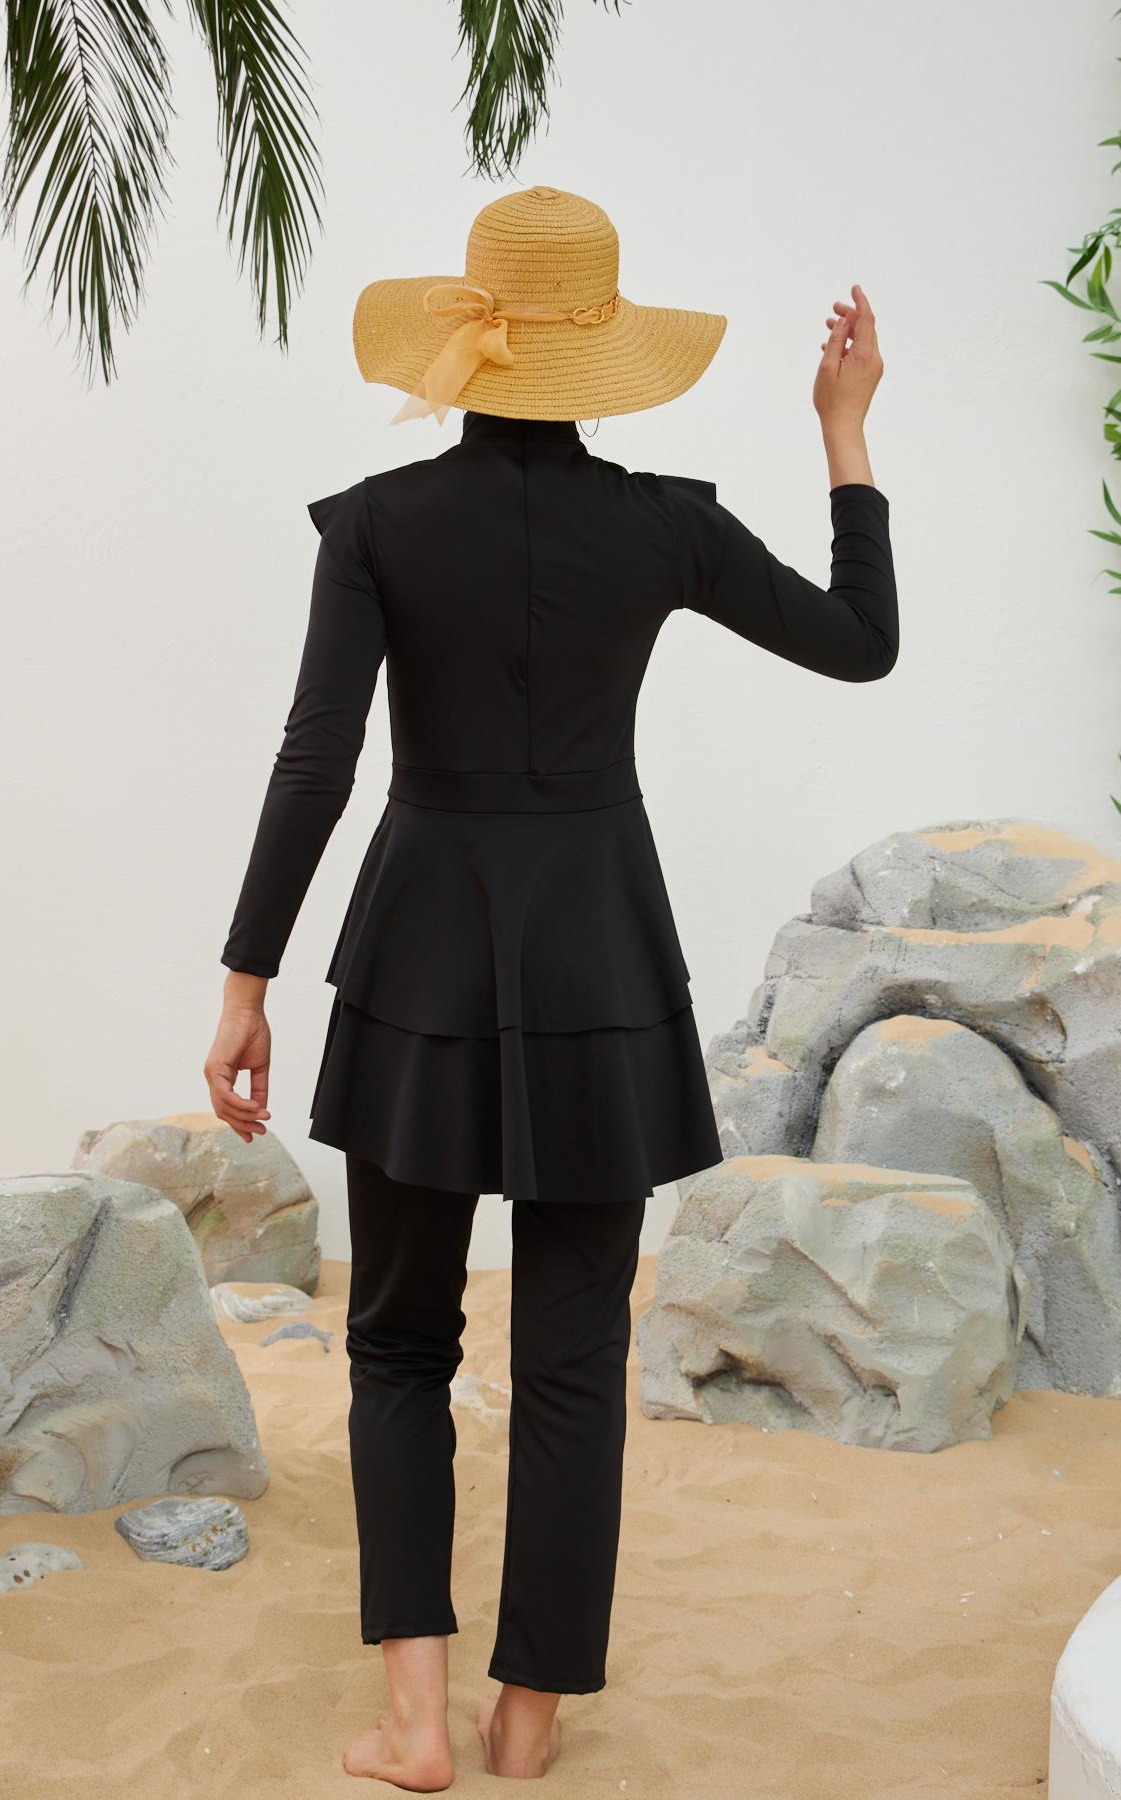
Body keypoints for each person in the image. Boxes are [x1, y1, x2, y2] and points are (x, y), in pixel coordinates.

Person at [204, 184, 897, 1788]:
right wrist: (844, 431)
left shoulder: (379, 525)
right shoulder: (660, 525)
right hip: (599, 943)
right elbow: (862, 641)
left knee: (397, 1342)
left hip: (418, 952)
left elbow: (317, 762)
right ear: (603, 355)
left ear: (466, 341)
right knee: (575, 1354)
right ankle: (529, 1718)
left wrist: (248, 977)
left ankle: (413, 1721)